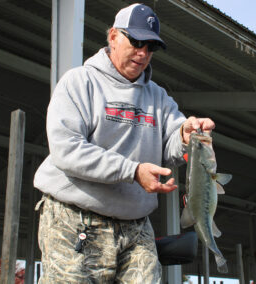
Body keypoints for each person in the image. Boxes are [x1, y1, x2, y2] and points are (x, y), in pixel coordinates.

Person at [34, 3, 215, 283]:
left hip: (135, 225)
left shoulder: (158, 97)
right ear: (113, 36)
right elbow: (66, 149)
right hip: (75, 220)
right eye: (136, 41)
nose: (143, 53)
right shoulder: (79, 83)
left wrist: (185, 135)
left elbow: (172, 142)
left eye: (151, 47)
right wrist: (132, 171)